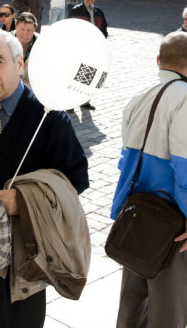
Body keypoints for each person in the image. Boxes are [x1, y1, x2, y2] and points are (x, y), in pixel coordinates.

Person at [0, 28, 89, 328]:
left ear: (20, 64)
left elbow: (76, 178)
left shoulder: (48, 116)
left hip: (20, 252)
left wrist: (24, 200)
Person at [110, 31, 187, 328]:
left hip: (136, 214)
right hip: (171, 223)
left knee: (132, 303)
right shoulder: (184, 99)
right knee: (169, 311)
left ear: (159, 61)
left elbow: (125, 160)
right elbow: (184, 168)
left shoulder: (138, 97)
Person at [11, 12, 39, 86]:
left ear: (35, 29)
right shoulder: (4, 41)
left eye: (29, 30)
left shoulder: (41, 43)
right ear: (16, 26)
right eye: (22, 29)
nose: (25, 33)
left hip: (33, 87)